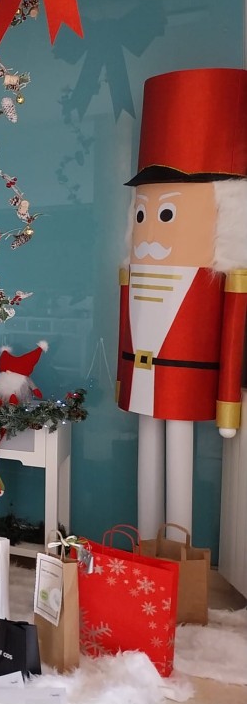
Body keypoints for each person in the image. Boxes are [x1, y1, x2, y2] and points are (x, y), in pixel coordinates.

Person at [117, 68, 247, 537]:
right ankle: (146, 554)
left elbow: (232, 336)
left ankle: (177, 557)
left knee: (178, 449)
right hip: (144, 377)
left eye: (167, 212)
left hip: (187, 378)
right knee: (149, 448)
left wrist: (227, 401)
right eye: (144, 213)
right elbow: (126, 322)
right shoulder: (131, 275)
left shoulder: (226, 280)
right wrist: (122, 380)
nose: (151, 230)